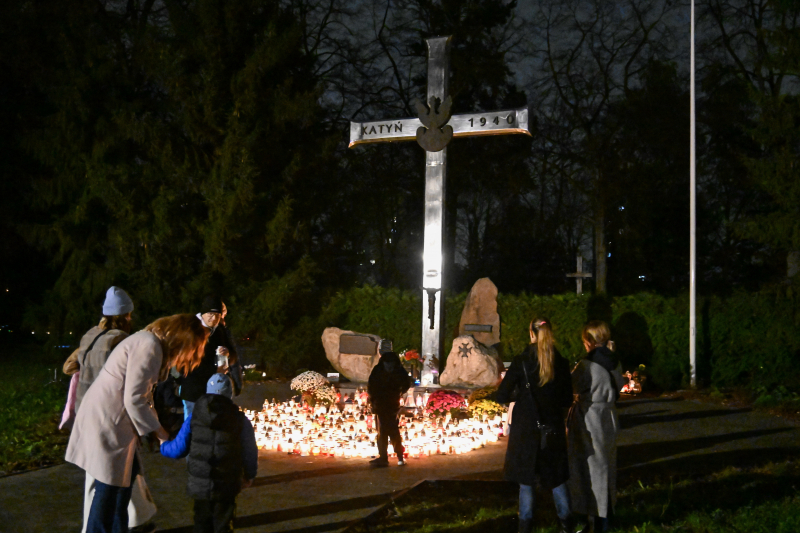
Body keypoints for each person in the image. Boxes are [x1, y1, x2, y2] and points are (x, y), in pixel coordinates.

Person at [66, 314, 209, 533]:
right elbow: (134, 399)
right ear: (183, 339)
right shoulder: (149, 346)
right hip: (108, 422)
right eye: (194, 347)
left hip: (113, 421)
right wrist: (160, 432)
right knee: (109, 491)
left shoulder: (150, 342)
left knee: (123, 486)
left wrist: (154, 427)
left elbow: (143, 394)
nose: (191, 354)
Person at [61, 286, 157, 533]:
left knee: (106, 479)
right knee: (113, 481)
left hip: (87, 415)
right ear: (126, 315)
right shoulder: (121, 340)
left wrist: (86, 374)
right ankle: (116, 525)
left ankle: (125, 523)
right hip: (110, 418)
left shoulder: (90, 335)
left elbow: (69, 366)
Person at [495, 318, 575, 533]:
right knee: (556, 476)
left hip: (526, 428)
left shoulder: (522, 361)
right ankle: (567, 522)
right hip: (552, 427)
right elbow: (567, 400)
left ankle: (526, 524)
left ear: (531, 333)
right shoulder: (561, 362)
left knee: (526, 478)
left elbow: (502, 394)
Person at [161, 374, 258, 533]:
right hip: (226, 485)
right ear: (229, 394)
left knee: (201, 525)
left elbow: (179, 449)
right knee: (223, 525)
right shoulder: (240, 419)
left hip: (200, 487)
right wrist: (249, 474)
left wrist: (164, 446)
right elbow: (249, 451)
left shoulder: (194, 418)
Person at [567, 321, 626, 533]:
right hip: (609, 415)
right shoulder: (615, 361)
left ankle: (591, 518)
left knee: (588, 468)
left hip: (590, 417)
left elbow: (572, 385)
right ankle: (607, 515)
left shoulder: (587, 364)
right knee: (607, 466)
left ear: (589, 341)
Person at [178, 296, 239, 419]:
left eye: (217, 315)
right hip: (194, 390)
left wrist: (228, 354)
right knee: (193, 426)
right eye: (211, 314)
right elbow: (186, 364)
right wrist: (215, 371)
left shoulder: (219, 329)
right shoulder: (191, 330)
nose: (214, 318)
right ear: (203, 314)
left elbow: (233, 354)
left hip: (215, 390)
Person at [367, 339, 411, 467]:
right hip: (390, 402)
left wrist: (373, 399)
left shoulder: (379, 368)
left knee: (384, 431)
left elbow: (372, 386)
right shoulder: (398, 368)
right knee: (392, 429)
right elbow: (406, 383)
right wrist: (399, 392)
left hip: (382, 403)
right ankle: (399, 457)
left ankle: (384, 458)